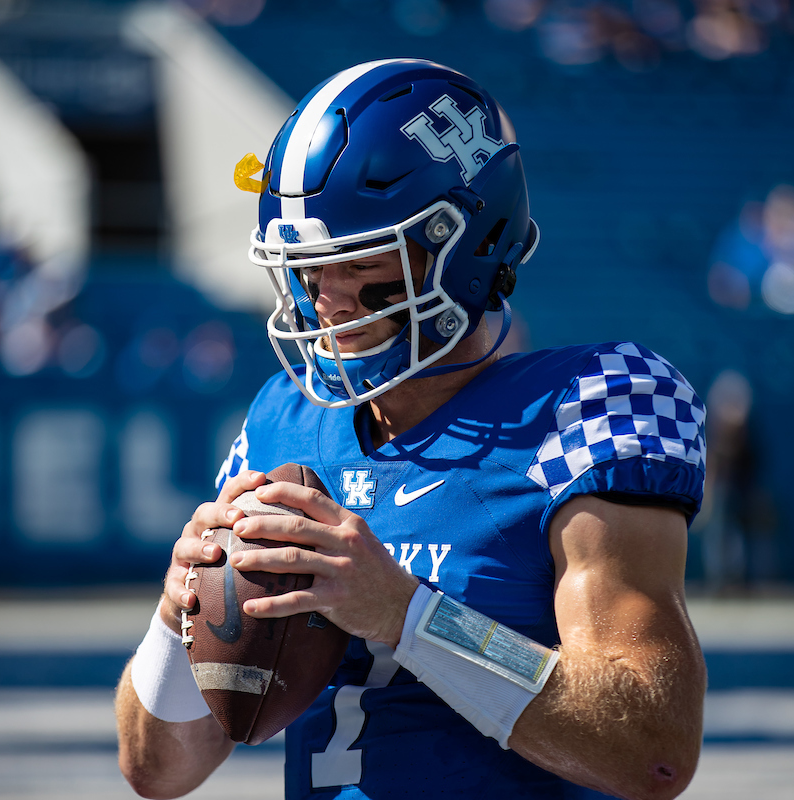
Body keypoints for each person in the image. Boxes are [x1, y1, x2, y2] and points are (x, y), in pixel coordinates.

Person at [115, 58, 707, 800]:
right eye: (306, 268)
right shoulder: (280, 420)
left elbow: (651, 749)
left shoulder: (587, 407)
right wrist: (177, 617)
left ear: (466, 244)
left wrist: (408, 615)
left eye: (360, 263)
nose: (326, 302)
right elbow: (156, 771)